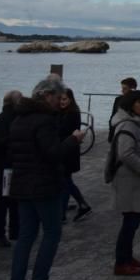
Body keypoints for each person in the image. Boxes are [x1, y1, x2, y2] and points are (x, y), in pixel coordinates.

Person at [9, 77, 83, 280]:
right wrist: (73, 140)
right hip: (44, 185)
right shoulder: (44, 121)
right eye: (58, 97)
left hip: (22, 184)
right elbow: (53, 153)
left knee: (26, 236)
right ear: (47, 95)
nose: (59, 102)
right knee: (51, 234)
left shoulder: (18, 119)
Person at [108, 90, 140, 277]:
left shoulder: (135, 124)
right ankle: (121, 262)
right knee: (129, 223)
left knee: (133, 222)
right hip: (129, 183)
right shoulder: (127, 126)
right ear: (131, 105)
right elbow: (125, 153)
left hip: (134, 183)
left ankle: (127, 257)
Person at [0, 90, 22, 247]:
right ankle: (1, 232)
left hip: (7, 165)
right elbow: (1, 143)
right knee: (5, 198)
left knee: (10, 198)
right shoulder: (7, 120)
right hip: (7, 166)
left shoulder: (3, 119)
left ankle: (12, 229)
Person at [58, 89, 92, 223]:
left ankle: (63, 213)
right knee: (66, 180)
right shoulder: (63, 113)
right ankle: (81, 205)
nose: (62, 102)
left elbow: (65, 131)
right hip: (66, 150)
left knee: (65, 181)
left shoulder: (72, 114)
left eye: (64, 99)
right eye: (60, 99)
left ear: (70, 99)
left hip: (69, 152)